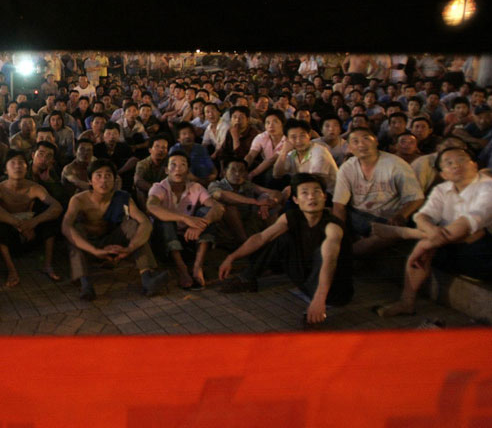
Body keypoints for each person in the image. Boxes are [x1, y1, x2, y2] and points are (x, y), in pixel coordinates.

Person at [219, 173, 354, 326]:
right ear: (296, 200)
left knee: (322, 253)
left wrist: (319, 300)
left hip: (333, 290)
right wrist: (232, 257)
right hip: (306, 279)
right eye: (305, 193)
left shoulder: (333, 226)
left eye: (317, 192)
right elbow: (261, 238)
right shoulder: (292, 217)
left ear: (324, 197)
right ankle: (248, 279)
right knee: (281, 237)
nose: (311, 197)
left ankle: (315, 314)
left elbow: (329, 261)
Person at [374, 147, 492, 317]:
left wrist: (411, 236)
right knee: (427, 245)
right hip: (448, 247)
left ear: (474, 165)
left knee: (427, 245)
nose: (456, 165)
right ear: (444, 174)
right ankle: (407, 303)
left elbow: (465, 226)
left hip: (481, 253)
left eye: (461, 159)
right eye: (449, 163)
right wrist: (427, 236)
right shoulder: (442, 189)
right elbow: (422, 216)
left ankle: (406, 235)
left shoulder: (487, 187)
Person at [61, 159, 169, 300]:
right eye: (98, 176)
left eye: (108, 176)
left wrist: (130, 248)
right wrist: (95, 251)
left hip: (111, 241)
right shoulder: (78, 200)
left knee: (133, 225)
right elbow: (65, 226)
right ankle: (85, 284)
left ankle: (147, 278)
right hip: (88, 245)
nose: (103, 180)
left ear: (114, 180)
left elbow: (145, 223)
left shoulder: (122, 197)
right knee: (75, 231)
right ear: (90, 181)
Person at [332, 127, 425, 255]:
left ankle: (347, 255)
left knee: (391, 234)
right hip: (356, 215)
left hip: (386, 218)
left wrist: (401, 215)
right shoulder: (347, 168)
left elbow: (416, 198)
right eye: (355, 141)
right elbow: (339, 205)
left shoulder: (395, 164)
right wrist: (340, 231)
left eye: (366, 139)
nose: (361, 144)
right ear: (350, 147)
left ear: (376, 141)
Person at [147, 150, 224, 289]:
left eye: (182, 165)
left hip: (188, 239)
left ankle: (197, 267)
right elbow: (151, 206)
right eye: (173, 165)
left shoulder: (196, 187)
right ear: (166, 170)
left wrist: (202, 224)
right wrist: (184, 218)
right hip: (164, 242)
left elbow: (218, 208)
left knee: (206, 212)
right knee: (164, 218)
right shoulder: (158, 187)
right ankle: (182, 269)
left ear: (188, 170)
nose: (178, 169)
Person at [0, 150, 64, 287]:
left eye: (21, 163)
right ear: (5, 170)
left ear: (26, 167)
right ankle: (12, 270)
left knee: (51, 221)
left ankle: (47, 265)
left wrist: (34, 222)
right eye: (13, 163)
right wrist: (19, 224)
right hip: (12, 236)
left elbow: (56, 207)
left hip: (31, 234)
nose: (17, 166)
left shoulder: (35, 188)